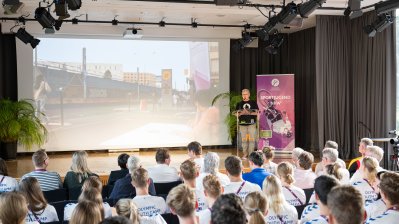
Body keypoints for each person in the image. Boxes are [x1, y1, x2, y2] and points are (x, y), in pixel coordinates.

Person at [236, 89, 259, 159]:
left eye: (246, 94)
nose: (244, 96)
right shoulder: (239, 103)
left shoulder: (253, 103)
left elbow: (257, 112)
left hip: (252, 123)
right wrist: (242, 113)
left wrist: (249, 113)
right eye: (243, 94)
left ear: (249, 95)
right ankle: (245, 154)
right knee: (244, 140)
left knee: (252, 139)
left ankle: (251, 154)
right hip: (242, 124)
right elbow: (236, 114)